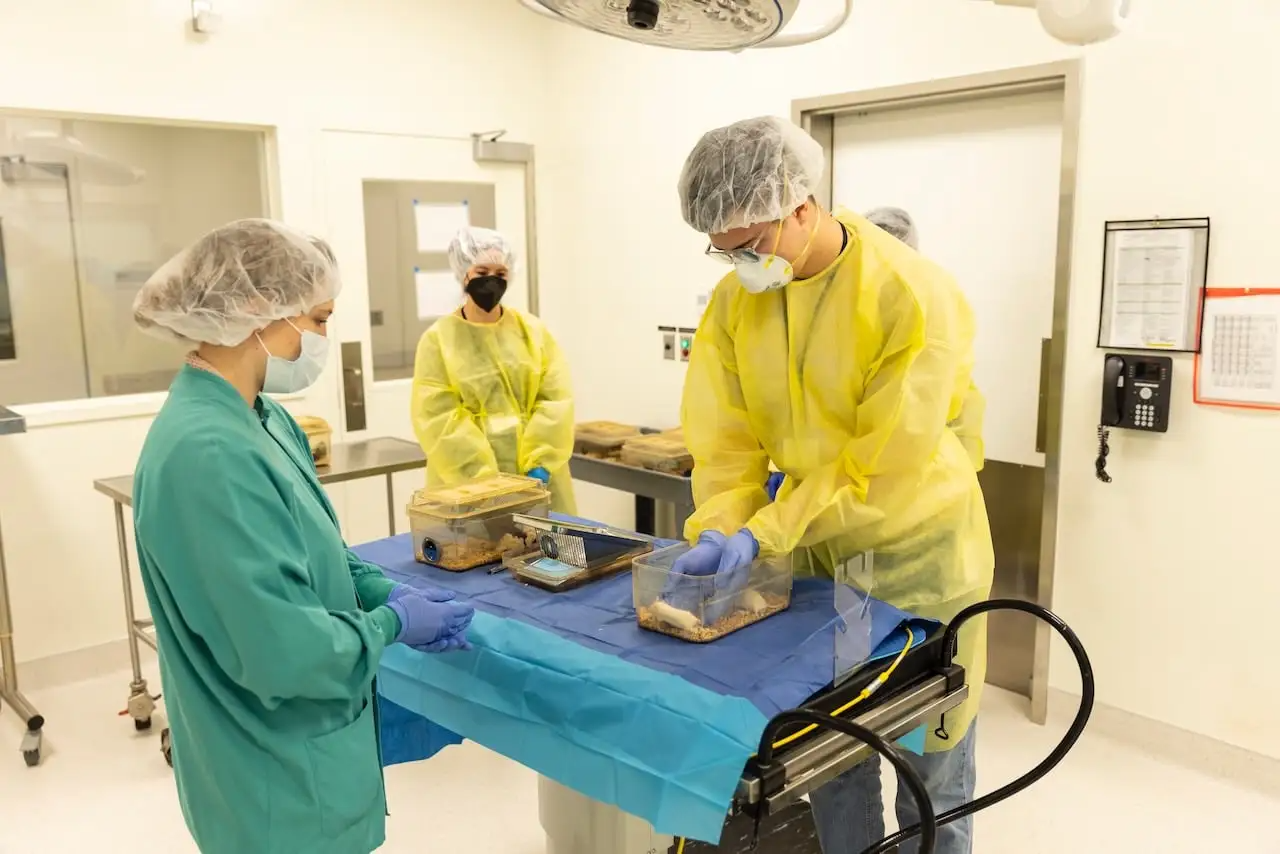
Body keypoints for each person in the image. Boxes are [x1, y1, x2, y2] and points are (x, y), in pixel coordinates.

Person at [673, 117, 994, 854]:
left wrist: (768, 530)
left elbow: (883, 466)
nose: (740, 263)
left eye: (750, 244)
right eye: (723, 250)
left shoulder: (910, 294)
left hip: (921, 559)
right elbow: (725, 440)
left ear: (801, 207)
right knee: (833, 752)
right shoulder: (735, 304)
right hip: (826, 567)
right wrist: (724, 523)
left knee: (931, 769)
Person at [131, 219, 475, 854]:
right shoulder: (208, 453)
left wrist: (381, 589)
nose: (322, 338)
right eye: (317, 320)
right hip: (271, 779)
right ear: (259, 313)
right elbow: (284, 652)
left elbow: (310, 554)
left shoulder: (262, 418)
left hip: (305, 759)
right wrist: (393, 626)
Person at [411, 226, 577, 513]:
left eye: (500, 274)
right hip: (465, 487)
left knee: (549, 553)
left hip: (538, 481)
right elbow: (438, 417)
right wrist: (482, 480)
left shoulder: (532, 332)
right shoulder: (438, 340)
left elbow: (555, 399)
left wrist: (540, 463)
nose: (491, 281)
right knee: (475, 551)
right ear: (464, 274)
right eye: (482, 272)